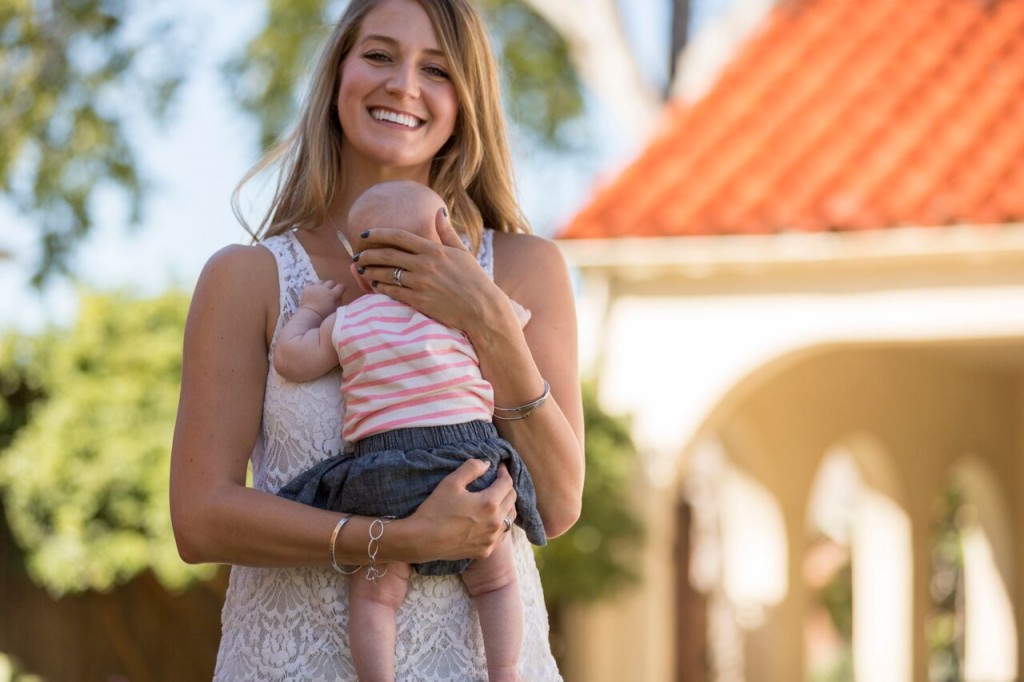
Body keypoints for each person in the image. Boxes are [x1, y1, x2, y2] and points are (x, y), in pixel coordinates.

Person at [169, 0, 584, 679]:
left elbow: (561, 505)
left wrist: (485, 317)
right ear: (339, 75)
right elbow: (200, 518)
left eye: (438, 70)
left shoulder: (525, 270)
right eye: (380, 56)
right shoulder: (250, 279)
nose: (404, 86)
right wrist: (396, 540)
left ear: (466, 102)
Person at [273, 179, 545, 681]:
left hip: (386, 470)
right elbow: (513, 324)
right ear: (446, 251)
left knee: (376, 596)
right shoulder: (467, 313)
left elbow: (291, 360)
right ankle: (506, 671)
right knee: (496, 580)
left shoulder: (351, 319)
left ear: (360, 270)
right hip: (471, 461)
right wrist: (482, 295)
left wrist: (312, 309)